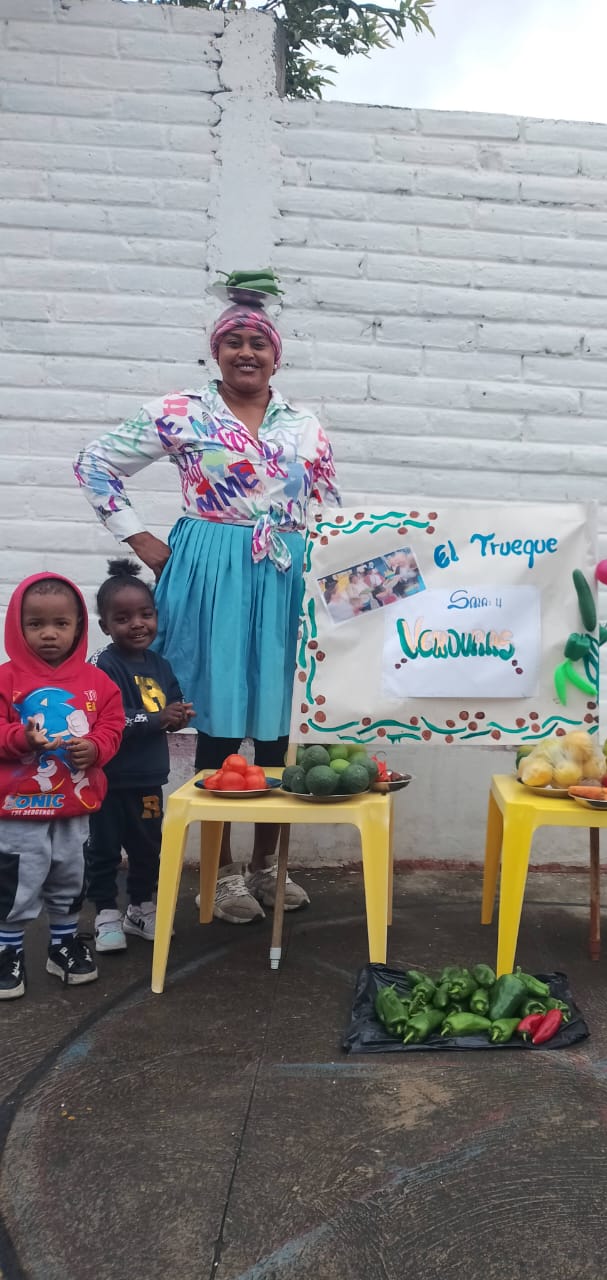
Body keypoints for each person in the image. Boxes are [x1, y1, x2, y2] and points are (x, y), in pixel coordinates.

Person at [74, 295, 340, 924]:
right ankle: (220, 875)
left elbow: (331, 508)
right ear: (215, 352)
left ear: (277, 356)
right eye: (233, 342)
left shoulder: (304, 425)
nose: (246, 353)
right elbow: (94, 463)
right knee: (217, 719)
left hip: (285, 575)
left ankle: (268, 864)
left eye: (259, 343)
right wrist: (141, 539)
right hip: (211, 574)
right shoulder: (181, 412)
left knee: (279, 726)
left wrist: (346, 584)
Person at [0, 573, 124, 999]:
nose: (49, 634)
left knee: (71, 875)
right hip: (19, 810)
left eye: (61, 624)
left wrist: (96, 747)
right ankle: (8, 949)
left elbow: (112, 725)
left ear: (78, 627)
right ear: (18, 627)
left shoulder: (97, 683)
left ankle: (63, 943)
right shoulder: (6, 680)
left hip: (75, 807)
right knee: (17, 878)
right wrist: (20, 738)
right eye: (36, 624)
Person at [85, 559, 194, 954]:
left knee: (148, 846)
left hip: (148, 778)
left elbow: (171, 703)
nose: (137, 624)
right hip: (108, 780)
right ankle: (105, 913)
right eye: (123, 618)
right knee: (104, 849)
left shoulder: (160, 665)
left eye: (146, 614)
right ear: (105, 626)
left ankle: (140, 907)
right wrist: (156, 718)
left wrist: (178, 716)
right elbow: (106, 717)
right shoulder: (103, 664)